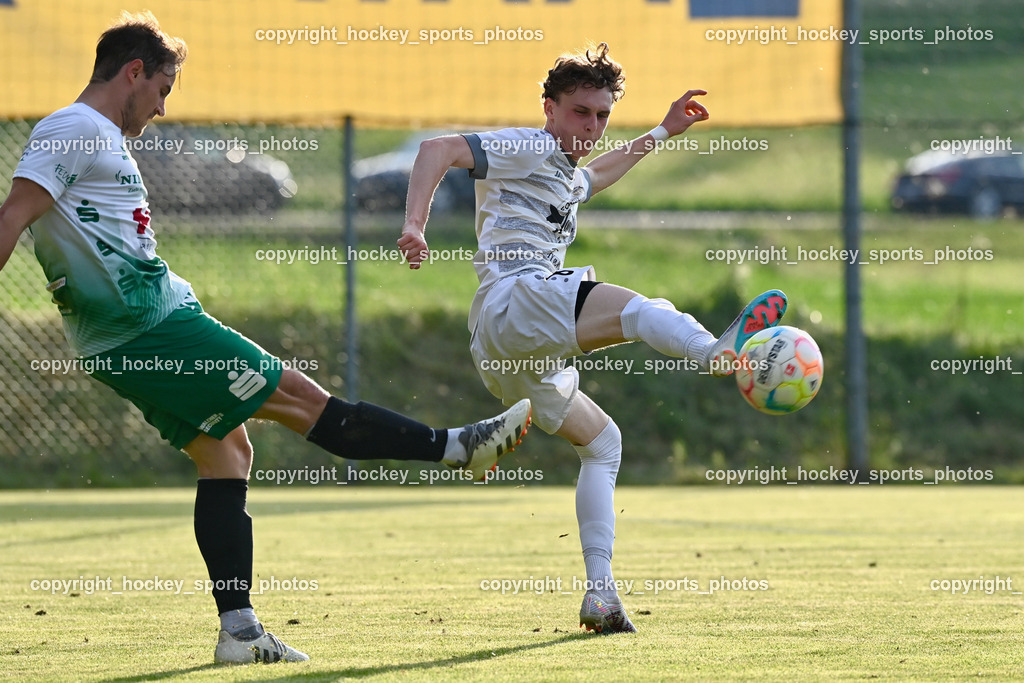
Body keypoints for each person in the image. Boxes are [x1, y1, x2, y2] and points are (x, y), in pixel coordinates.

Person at [0, 11, 531, 665]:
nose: (163, 108)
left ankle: (240, 632)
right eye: (163, 89)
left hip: (128, 336)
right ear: (133, 72)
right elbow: (13, 216)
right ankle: (456, 449)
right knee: (305, 400)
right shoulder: (73, 128)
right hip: (152, 329)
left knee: (227, 452)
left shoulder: (93, 135)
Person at [398, 42, 786, 634]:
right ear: (549, 108)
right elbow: (437, 148)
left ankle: (600, 595)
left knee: (604, 446)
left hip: (505, 347)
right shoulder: (529, 144)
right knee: (639, 310)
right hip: (517, 298)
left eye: (603, 115)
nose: (593, 126)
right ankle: (715, 353)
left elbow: (593, 177)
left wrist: (662, 130)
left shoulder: (562, 170)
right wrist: (413, 226)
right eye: (581, 112)